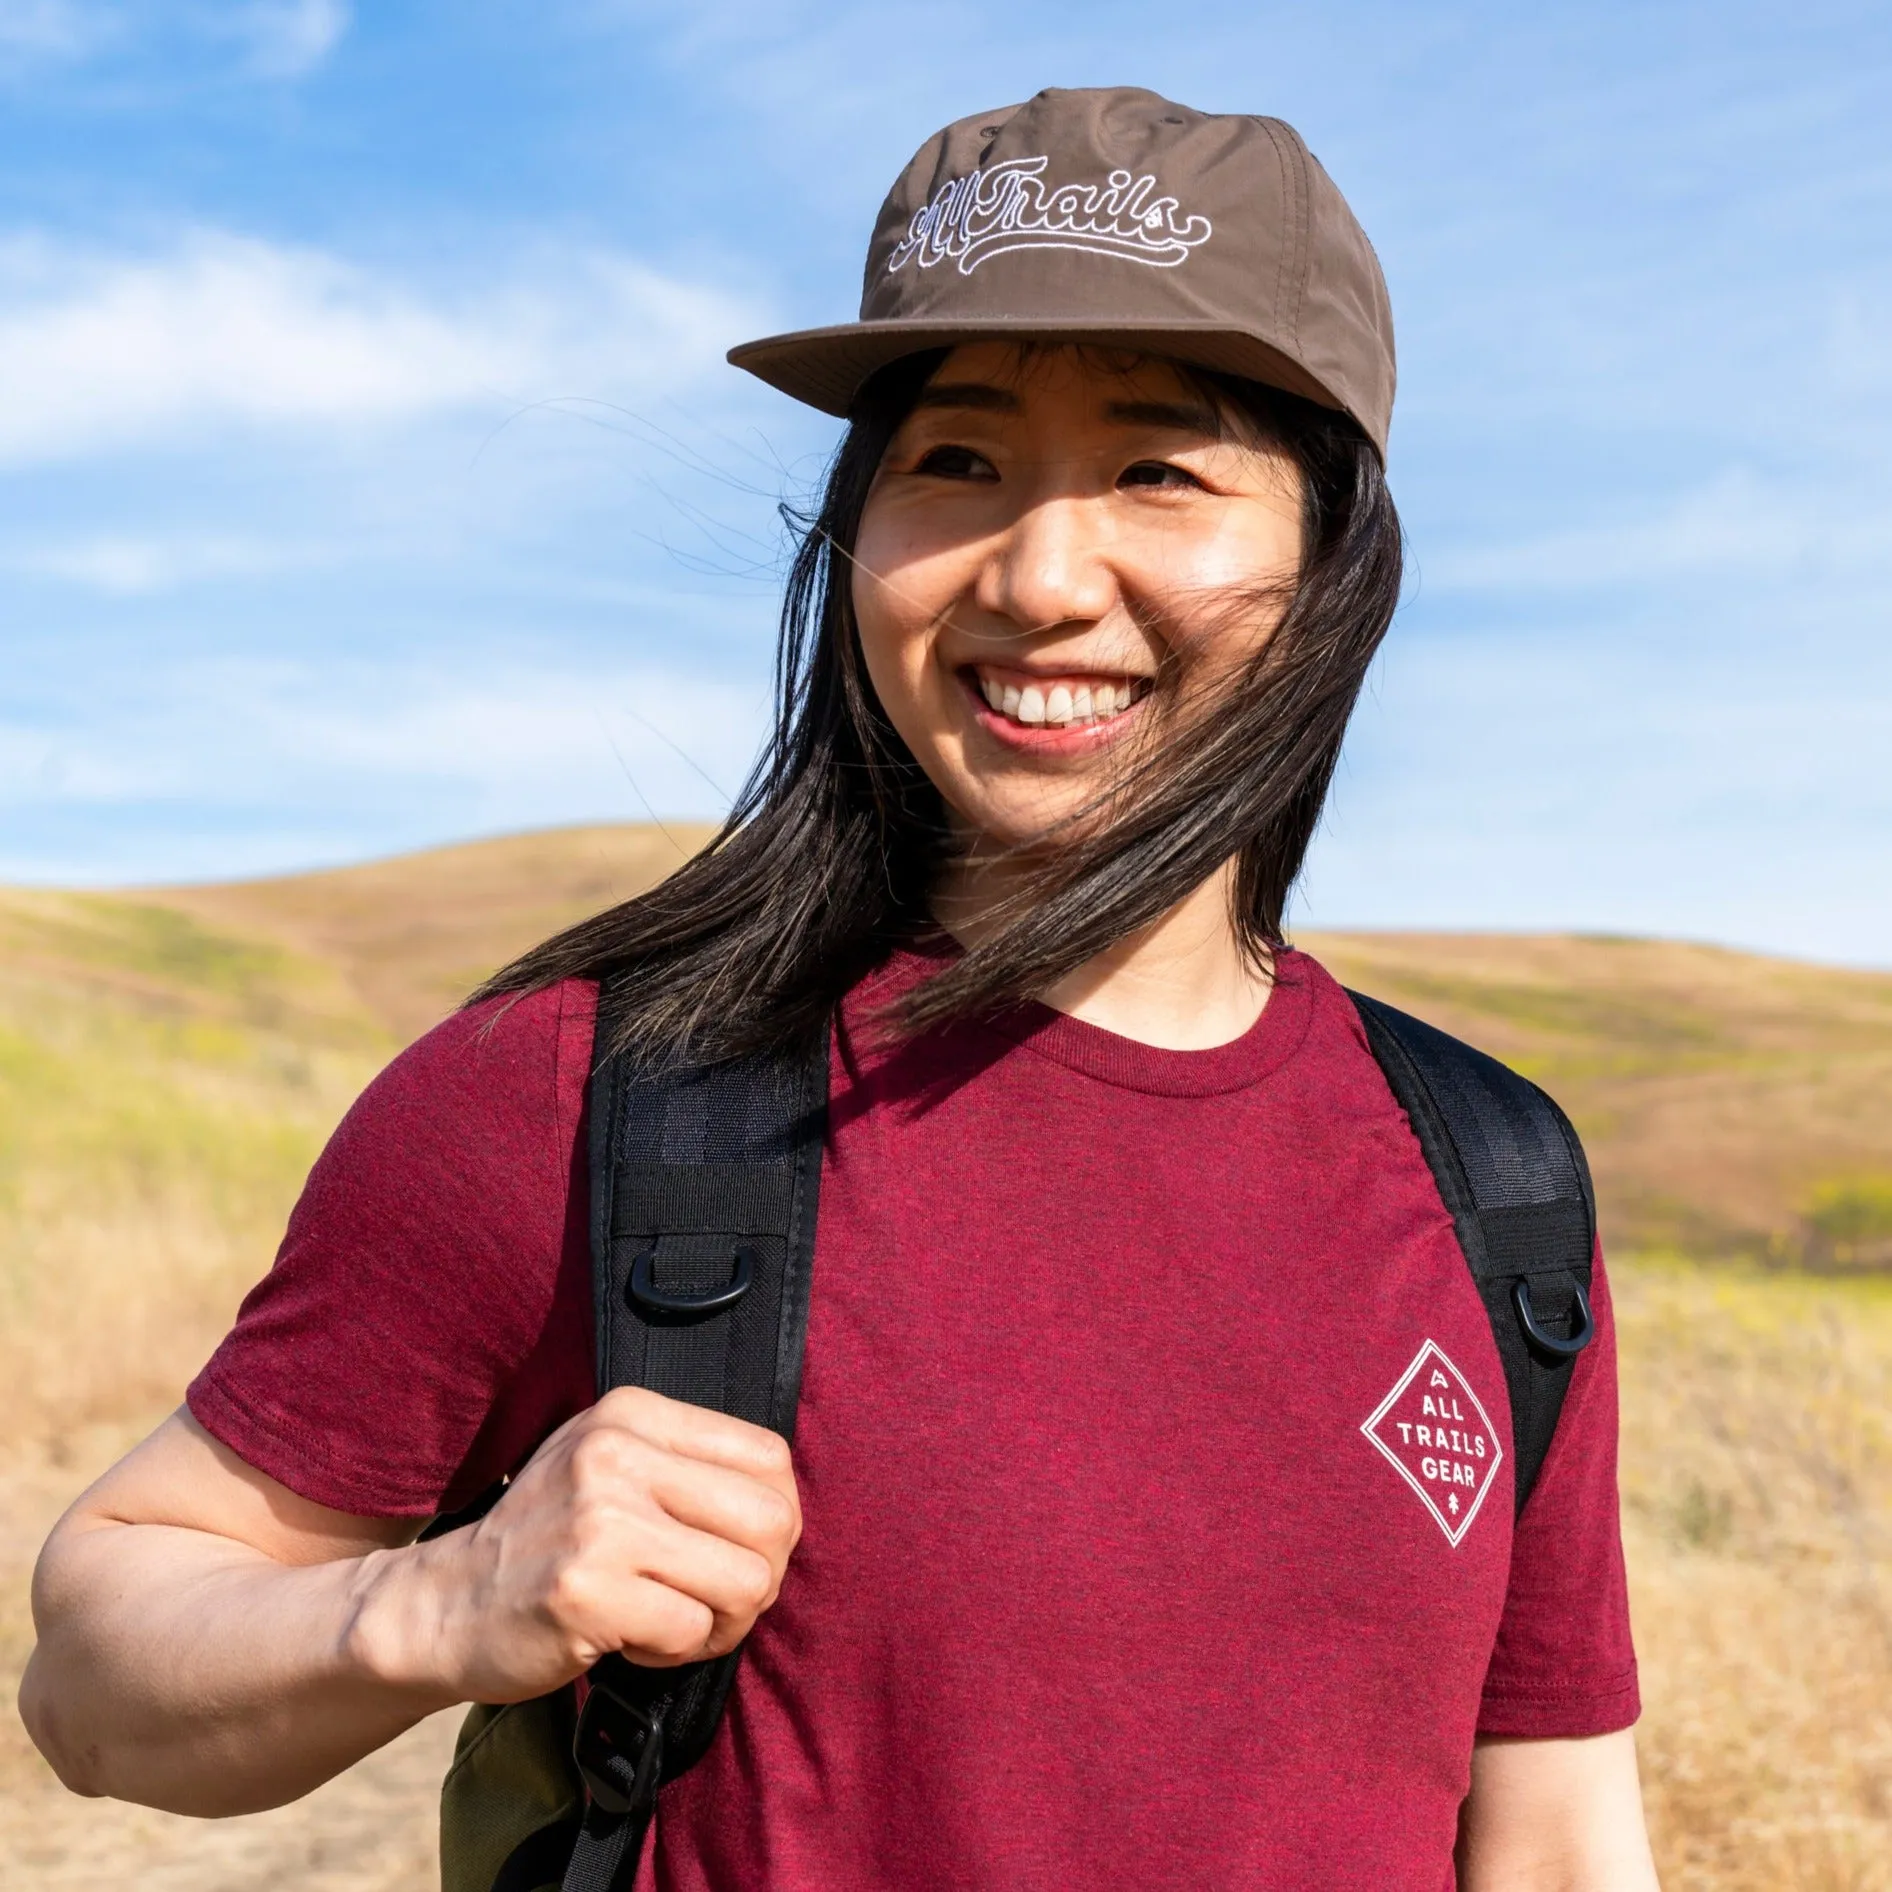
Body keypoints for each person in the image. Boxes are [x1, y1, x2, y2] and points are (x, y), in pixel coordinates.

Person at [21, 87, 1660, 1891]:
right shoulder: (594, 1091)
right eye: (954, 460)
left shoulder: (1492, 1180)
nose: (1040, 577)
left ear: (1335, 557)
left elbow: (1563, 1834)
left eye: (1158, 470)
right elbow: (97, 1674)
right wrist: (446, 1600)